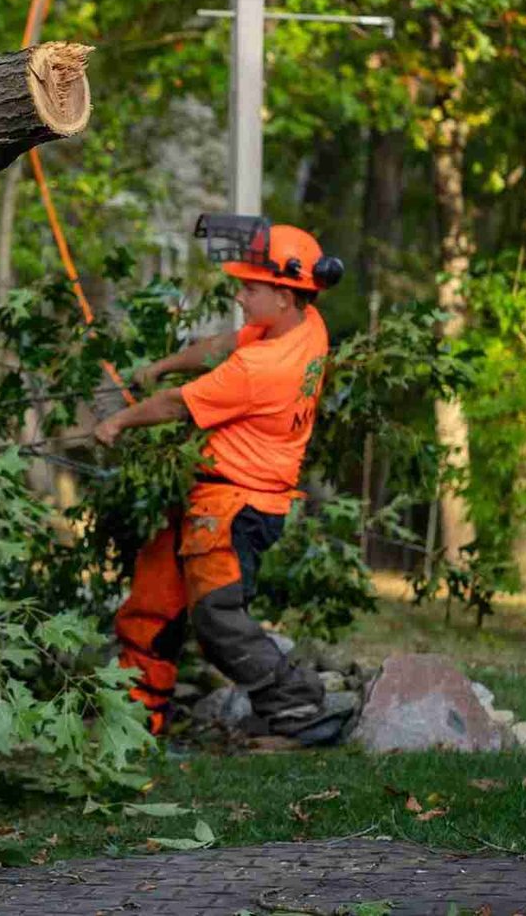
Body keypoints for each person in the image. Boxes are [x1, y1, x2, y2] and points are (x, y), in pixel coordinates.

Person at [92, 214, 352, 745]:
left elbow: (175, 408)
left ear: (285, 294)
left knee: (217, 619)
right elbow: (224, 343)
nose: (239, 294)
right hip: (210, 495)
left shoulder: (263, 370)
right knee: (153, 600)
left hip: (237, 506)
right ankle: (138, 721)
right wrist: (163, 363)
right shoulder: (307, 326)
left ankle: (299, 710)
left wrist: (118, 419)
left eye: (250, 287)